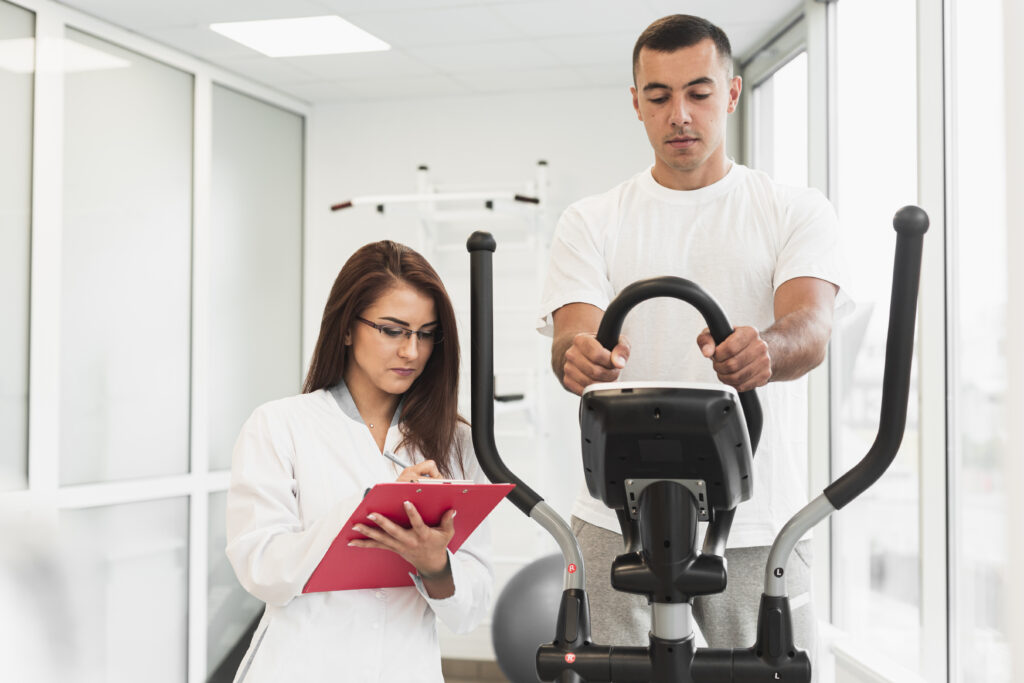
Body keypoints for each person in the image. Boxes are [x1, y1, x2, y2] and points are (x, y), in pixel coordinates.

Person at [538, 15, 848, 655]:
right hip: (616, 519)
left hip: (757, 523)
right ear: (636, 103)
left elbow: (811, 327)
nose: (679, 114)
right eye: (658, 97)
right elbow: (571, 335)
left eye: (698, 93)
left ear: (731, 93)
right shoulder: (591, 220)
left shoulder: (793, 209)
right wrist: (579, 357)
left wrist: (766, 351)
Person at [226, 240, 492, 683]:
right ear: (347, 328)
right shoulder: (279, 424)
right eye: (392, 330)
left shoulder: (457, 443)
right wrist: (372, 508)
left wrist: (435, 564)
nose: (412, 351)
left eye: (426, 334)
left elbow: (470, 611)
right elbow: (261, 568)